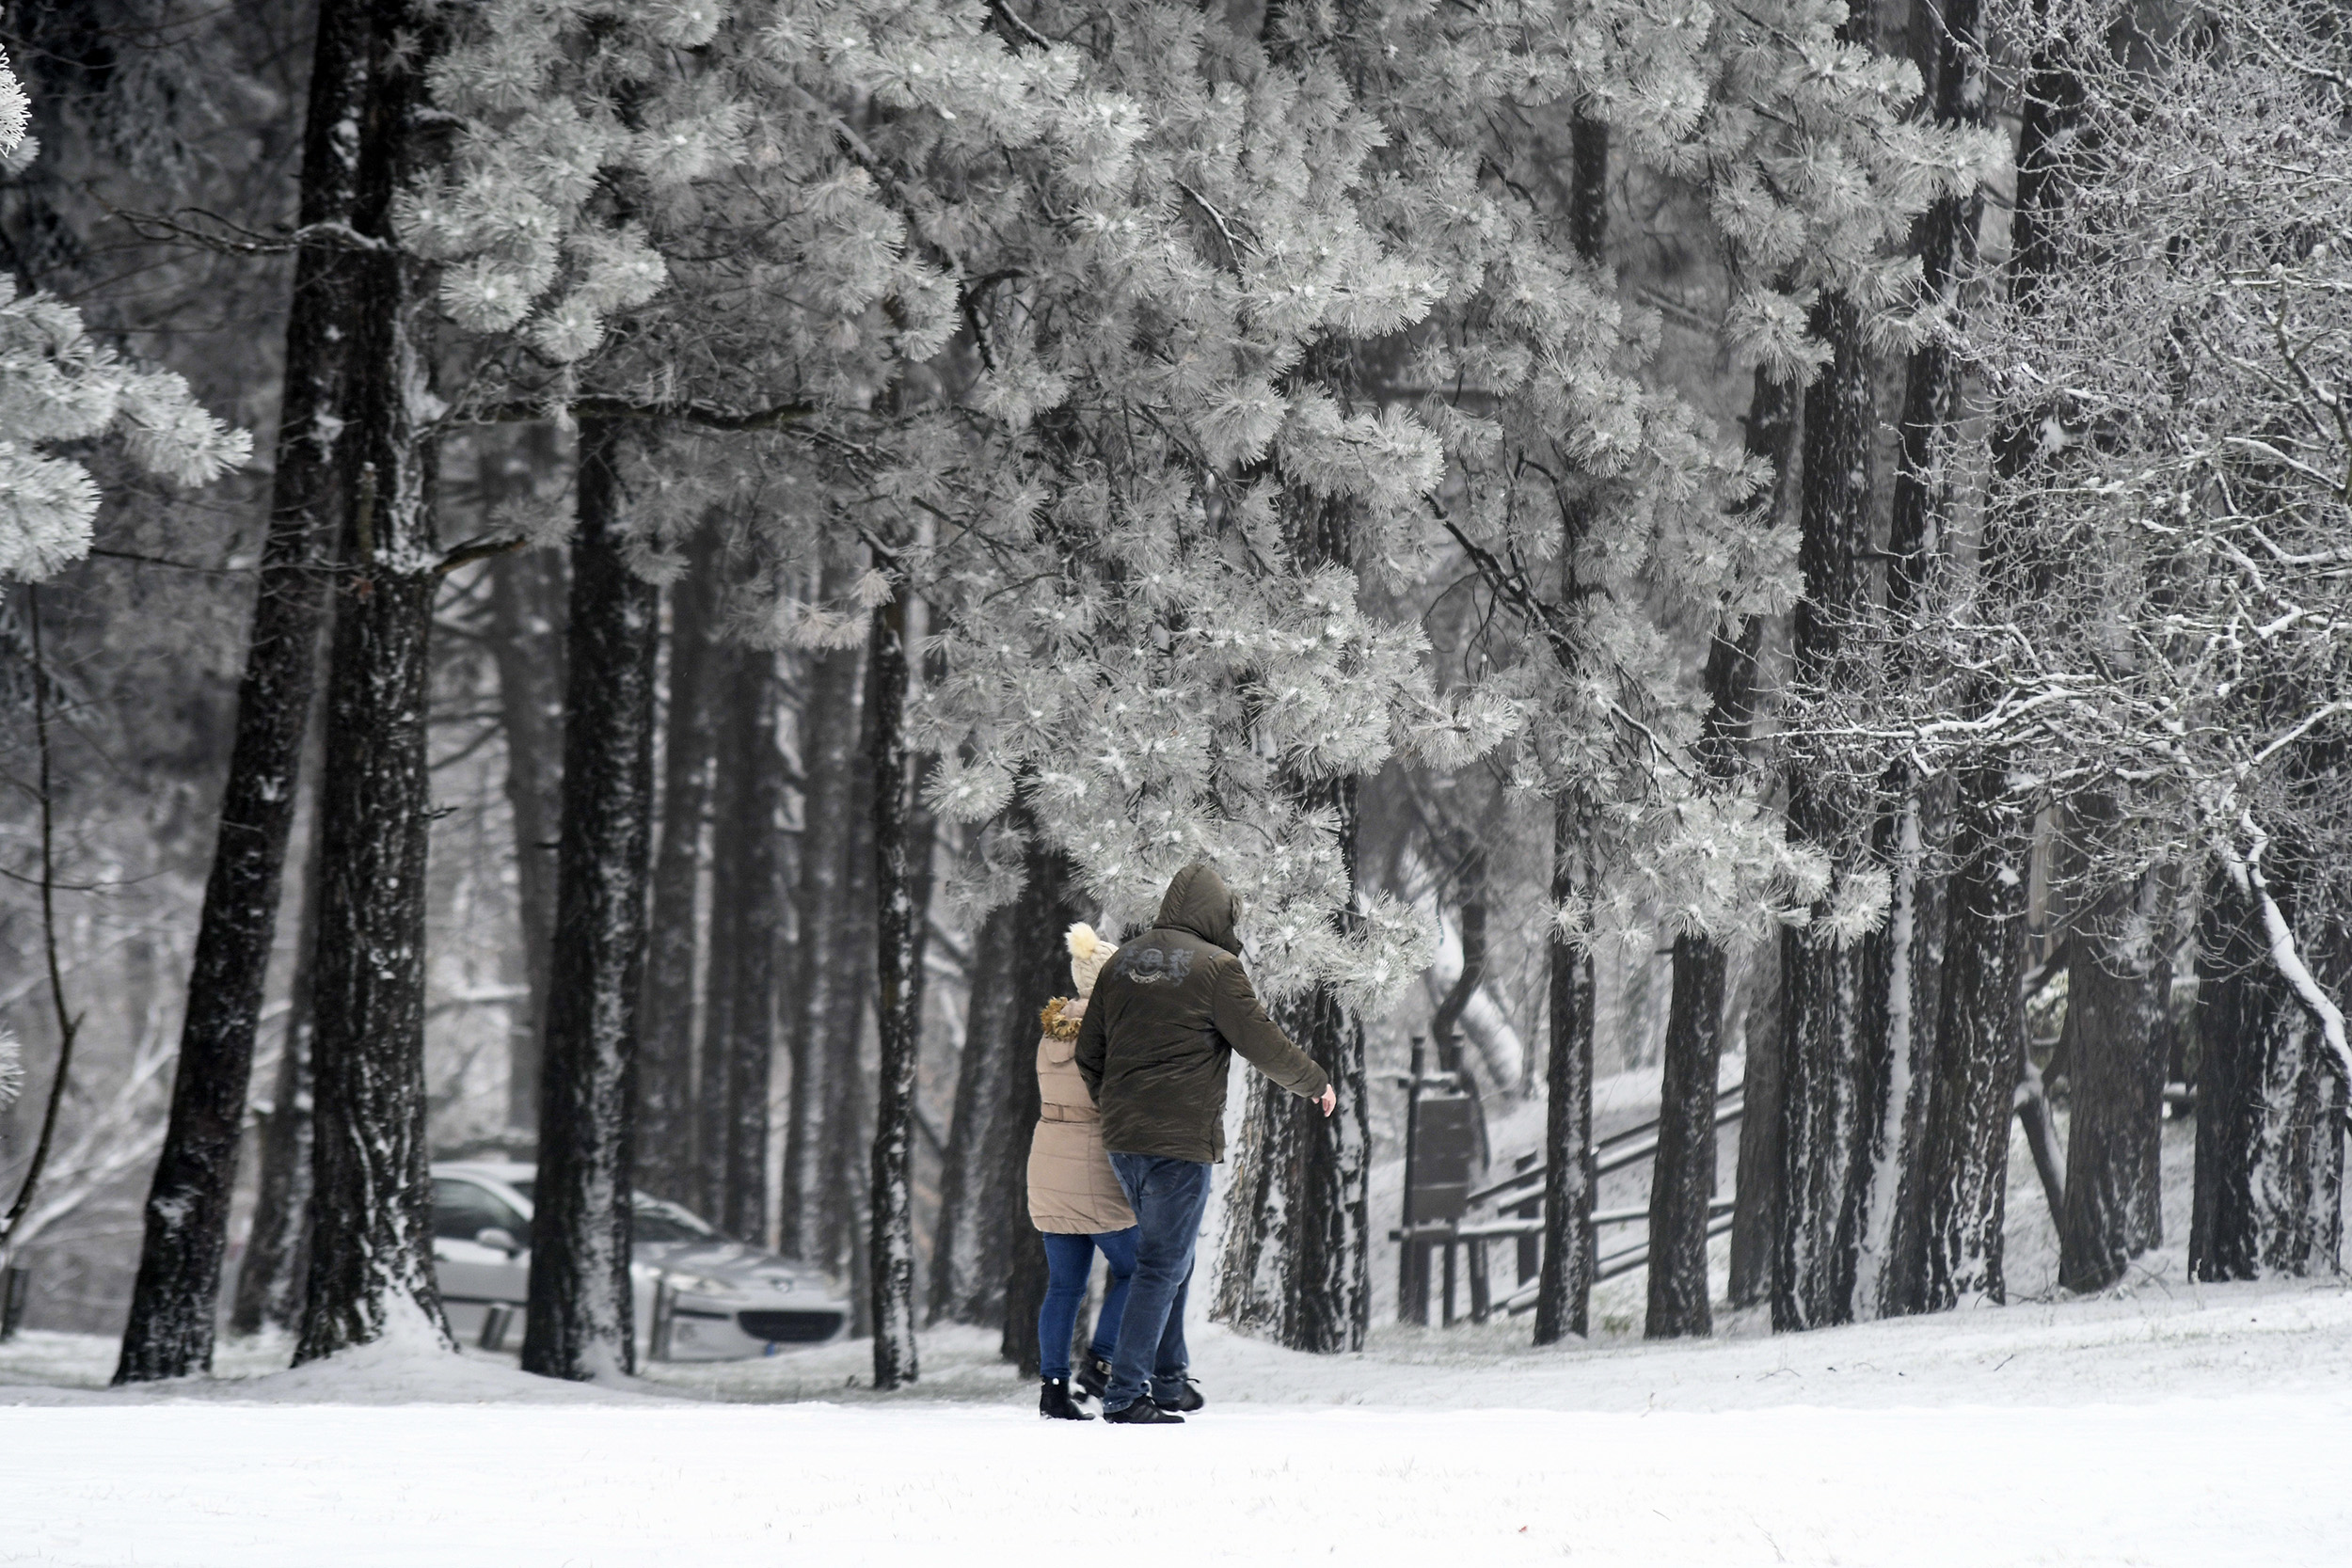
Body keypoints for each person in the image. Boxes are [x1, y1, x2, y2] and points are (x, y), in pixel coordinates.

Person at [1075, 863, 1334, 1425]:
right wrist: (1315, 1083)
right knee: (1162, 1263)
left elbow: (1087, 1053)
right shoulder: (1217, 968)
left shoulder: (1120, 962)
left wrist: (1118, 1107)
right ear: (1217, 914)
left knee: (1171, 1257)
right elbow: (1262, 1044)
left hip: (1123, 1140)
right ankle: (1125, 1394)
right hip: (1180, 1140)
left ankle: (1168, 1382)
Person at [1027, 923, 1139, 1420]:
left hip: (1049, 1162)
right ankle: (1101, 1361)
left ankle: (1053, 1390)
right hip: (1094, 1162)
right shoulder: (1111, 1033)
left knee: (1064, 1286)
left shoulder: (1052, 1034)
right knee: (1141, 1269)